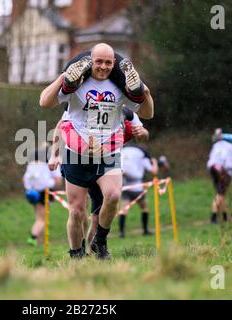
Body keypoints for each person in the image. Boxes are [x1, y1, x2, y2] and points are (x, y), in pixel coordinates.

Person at [40, 43, 153, 259]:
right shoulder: (77, 83)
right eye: (98, 61)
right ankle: (76, 255)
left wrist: (145, 92)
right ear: (90, 61)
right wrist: (62, 77)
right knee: (76, 211)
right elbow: (44, 102)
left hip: (108, 150)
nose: (103, 67)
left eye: (108, 62)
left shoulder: (120, 86)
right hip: (76, 151)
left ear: (114, 63)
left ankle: (100, 242)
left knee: (113, 196)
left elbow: (147, 114)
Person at [23, 145, 62, 245]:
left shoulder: (31, 165)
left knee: (38, 216)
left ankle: (39, 241)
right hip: (45, 192)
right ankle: (33, 238)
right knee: (42, 219)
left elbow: (25, 179)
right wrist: (55, 188)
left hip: (31, 192)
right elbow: (58, 180)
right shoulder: (51, 164)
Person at [119, 142, 158, 238]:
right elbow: (154, 171)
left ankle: (121, 232)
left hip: (125, 187)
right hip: (137, 188)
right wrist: (154, 161)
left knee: (123, 210)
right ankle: (145, 230)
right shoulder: (143, 157)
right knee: (145, 208)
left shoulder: (124, 152)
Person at [206, 128, 232, 224]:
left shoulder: (216, 145)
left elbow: (211, 159)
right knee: (220, 194)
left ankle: (225, 215)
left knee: (221, 193)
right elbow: (229, 163)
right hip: (223, 171)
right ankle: (214, 216)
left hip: (212, 168)